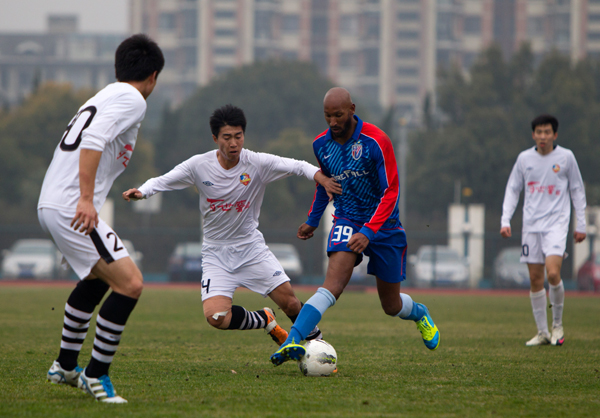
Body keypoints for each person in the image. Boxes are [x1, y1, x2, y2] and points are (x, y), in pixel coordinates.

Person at [122, 104, 341, 349]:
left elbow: (299, 165)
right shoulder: (199, 165)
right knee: (217, 317)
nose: (234, 143)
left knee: (290, 303)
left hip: (250, 248)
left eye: (238, 136)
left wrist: (321, 178)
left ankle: (317, 345)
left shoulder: (257, 163)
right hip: (216, 253)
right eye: (227, 137)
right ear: (215, 138)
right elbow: (164, 180)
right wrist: (142, 191)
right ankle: (264, 319)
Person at [270, 87, 440, 366]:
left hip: (384, 224)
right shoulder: (321, 145)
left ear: (352, 109)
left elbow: (391, 192)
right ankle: (292, 341)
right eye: (327, 116)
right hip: (347, 218)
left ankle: (420, 313)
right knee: (331, 286)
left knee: (391, 305)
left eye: (338, 115)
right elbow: (324, 185)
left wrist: (369, 231)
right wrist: (313, 220)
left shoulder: (376, 140)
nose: (333, 122)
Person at [39, 34, 164, 403]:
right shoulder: (132, 98)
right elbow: (92, 141)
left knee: (97, 278)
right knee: (131, 284)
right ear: (153, 76)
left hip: (52, 203)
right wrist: (86, 200)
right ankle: (96, 375)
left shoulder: (105, 95)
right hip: (68, 204)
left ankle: (64, 366)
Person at [500, 114, 586, 347]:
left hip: (557, 225)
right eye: (539, 132)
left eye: (547, 132)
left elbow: (577, 189)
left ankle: (557, 326)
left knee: (552, 274)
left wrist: (581, 224)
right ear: (533, 135)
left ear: (555, 135)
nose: (543, 136)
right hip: (531, 226)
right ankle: (542, 332)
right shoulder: (524, 159)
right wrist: (505, 220)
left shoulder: (566, 157)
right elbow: (512, 190)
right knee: (535, 279)